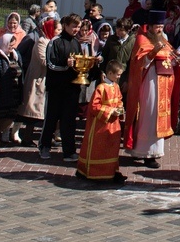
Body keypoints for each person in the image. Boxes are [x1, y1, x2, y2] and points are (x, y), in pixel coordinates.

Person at [124, 14, 180, 168]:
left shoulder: (163, 40)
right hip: (148, 84)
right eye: (157, 27)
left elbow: (172, 58)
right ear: (149, 27)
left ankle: (155, 151)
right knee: (148, 116)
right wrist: (152, 53)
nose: (159, 30)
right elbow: (139, 63)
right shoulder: (142, 39)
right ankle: (145, 153)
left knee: (159, 116)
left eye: (161, 27)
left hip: (162, 85)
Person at [38, 13, 83, 161]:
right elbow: (50, 64)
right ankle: (44, 146)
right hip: (56, 87)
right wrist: (66, 64)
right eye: (73, 26)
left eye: (78, 26)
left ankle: (69, 151)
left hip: (72, 87)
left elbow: (80, 64)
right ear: (65, 26)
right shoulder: (55, 42)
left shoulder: (77, 43)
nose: (76, 29)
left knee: (69, 120)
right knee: (51, 117)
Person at [76, 58, 127, 182]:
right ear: (110, 74)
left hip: (113, 124)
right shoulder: (101, 88)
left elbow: (119, 100)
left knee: (112, 148)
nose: (119, 77)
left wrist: (120, 109)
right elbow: (94, 106)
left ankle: (111, 171)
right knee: (99, 148)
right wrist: (110, 111)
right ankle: (95, 172)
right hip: (100, 125)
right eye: (118, 74)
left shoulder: (116, 86)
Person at [17, 18, 59, 146]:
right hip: (39, 78)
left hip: (47, 79)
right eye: (58, 29)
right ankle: (27, 137)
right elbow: (44, 61)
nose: (59, 32)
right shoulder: (42, 41)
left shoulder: (51, 41)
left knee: (44, 110)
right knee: (34, 110)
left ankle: (46, 137)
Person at [101, 18, 136, 93]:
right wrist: (102, 72)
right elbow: (104, 56)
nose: (117, 31)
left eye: (121, 30)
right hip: (110, 74)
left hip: (123, 76)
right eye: (117, 28)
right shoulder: (111, 39)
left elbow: (132, 63)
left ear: (128, 30)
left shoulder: (133, 41)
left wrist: (127, 80)